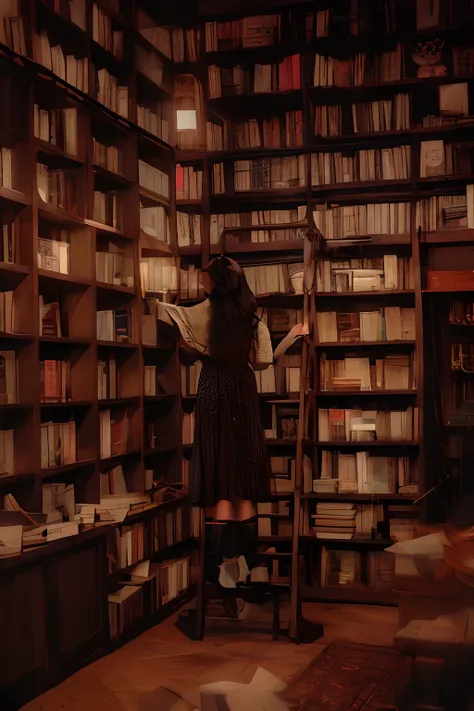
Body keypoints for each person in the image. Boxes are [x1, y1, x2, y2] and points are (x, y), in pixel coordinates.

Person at [157, 256, 304, 612]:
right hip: (242, 396)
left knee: (222, 476)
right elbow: (264, 362)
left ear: (216, 283)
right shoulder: (252, 320)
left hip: (212, 397)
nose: (203, 284)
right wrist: (291, 338)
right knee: (241, 475)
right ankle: (251, 566)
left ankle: (224, 568)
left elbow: (169, 319)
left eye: (208, 279)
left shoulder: (202, 313)